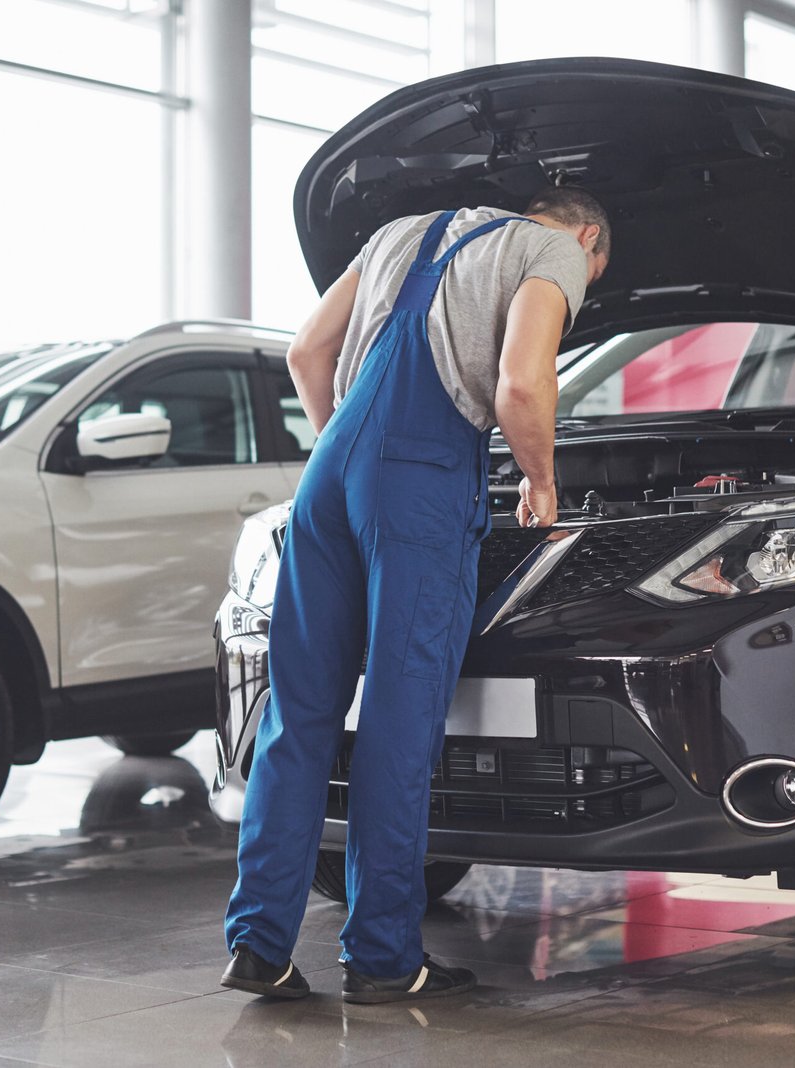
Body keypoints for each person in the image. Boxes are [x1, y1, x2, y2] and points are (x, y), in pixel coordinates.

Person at [222, 187, 611, 1002]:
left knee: (299, 716)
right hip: (421, 479)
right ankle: (383, 959)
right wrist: (541, 481)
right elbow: (518, 385)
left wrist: (350, 452)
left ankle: (258, 944)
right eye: (594, 274)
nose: (584, 285)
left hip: (329, 470)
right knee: (400, 724)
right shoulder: (557, 252)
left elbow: (306, 354)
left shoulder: (398, 231)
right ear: (586, 235)